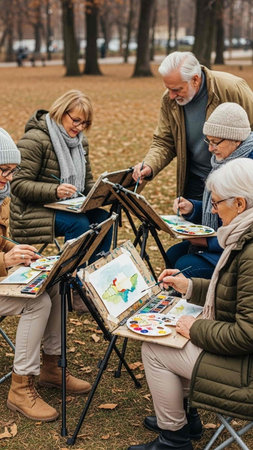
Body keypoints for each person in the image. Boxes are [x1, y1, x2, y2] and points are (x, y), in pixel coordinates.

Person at [128, 157, 253, 450]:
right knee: (171, 333)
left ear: (240, 204)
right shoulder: (244, 238)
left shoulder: (249, 251)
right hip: (243, 362)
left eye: (217, 202)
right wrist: (190, 287)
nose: (211, 209)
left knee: (156, 347)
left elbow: (247, 334)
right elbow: (233, 294)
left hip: (246, 373)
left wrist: (196, 329)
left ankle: (174, 439)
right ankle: (186, 419)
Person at [0, 128, 91, 422]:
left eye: (12, 171)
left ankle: (51, 367)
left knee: (53, 285)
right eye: (3, 170)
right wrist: (4, 260)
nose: (9, 178)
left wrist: (13, 247)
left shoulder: (1, 192)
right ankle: (20, 386)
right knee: (35, 302)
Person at [132, 51, 253, 201]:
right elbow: (164, 141)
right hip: (195, 179)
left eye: (176, 89)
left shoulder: (232, 88)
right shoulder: (169, 100)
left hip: (233, 181)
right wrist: (150, 165)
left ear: (195, 80)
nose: (171, 95)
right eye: (168, 89)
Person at [10, 89, 112, 263]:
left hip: (66, 206)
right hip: (29, 211)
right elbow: (17, 184)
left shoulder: (80, 142)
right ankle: (71, 280)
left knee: (104, 219)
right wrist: (55, 190)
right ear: (61, 112)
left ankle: (92, 273)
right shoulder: (35, 140)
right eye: (76, 120)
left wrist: (104, 190)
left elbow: (86, 182)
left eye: (85, 123)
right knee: (78, 223)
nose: (79, 128)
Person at [166, 102, 253, 279]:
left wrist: (207, 242)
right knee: (173, 254)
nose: (210, 148)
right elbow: (220, 208)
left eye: (215, 142)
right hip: (222, 239)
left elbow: (247, 234)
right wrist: (193, 208)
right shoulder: (223, 160)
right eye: (208, 141)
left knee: (184, 266)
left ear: (236, 139)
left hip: (239, 251)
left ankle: (197, 301)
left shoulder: (246, 169)